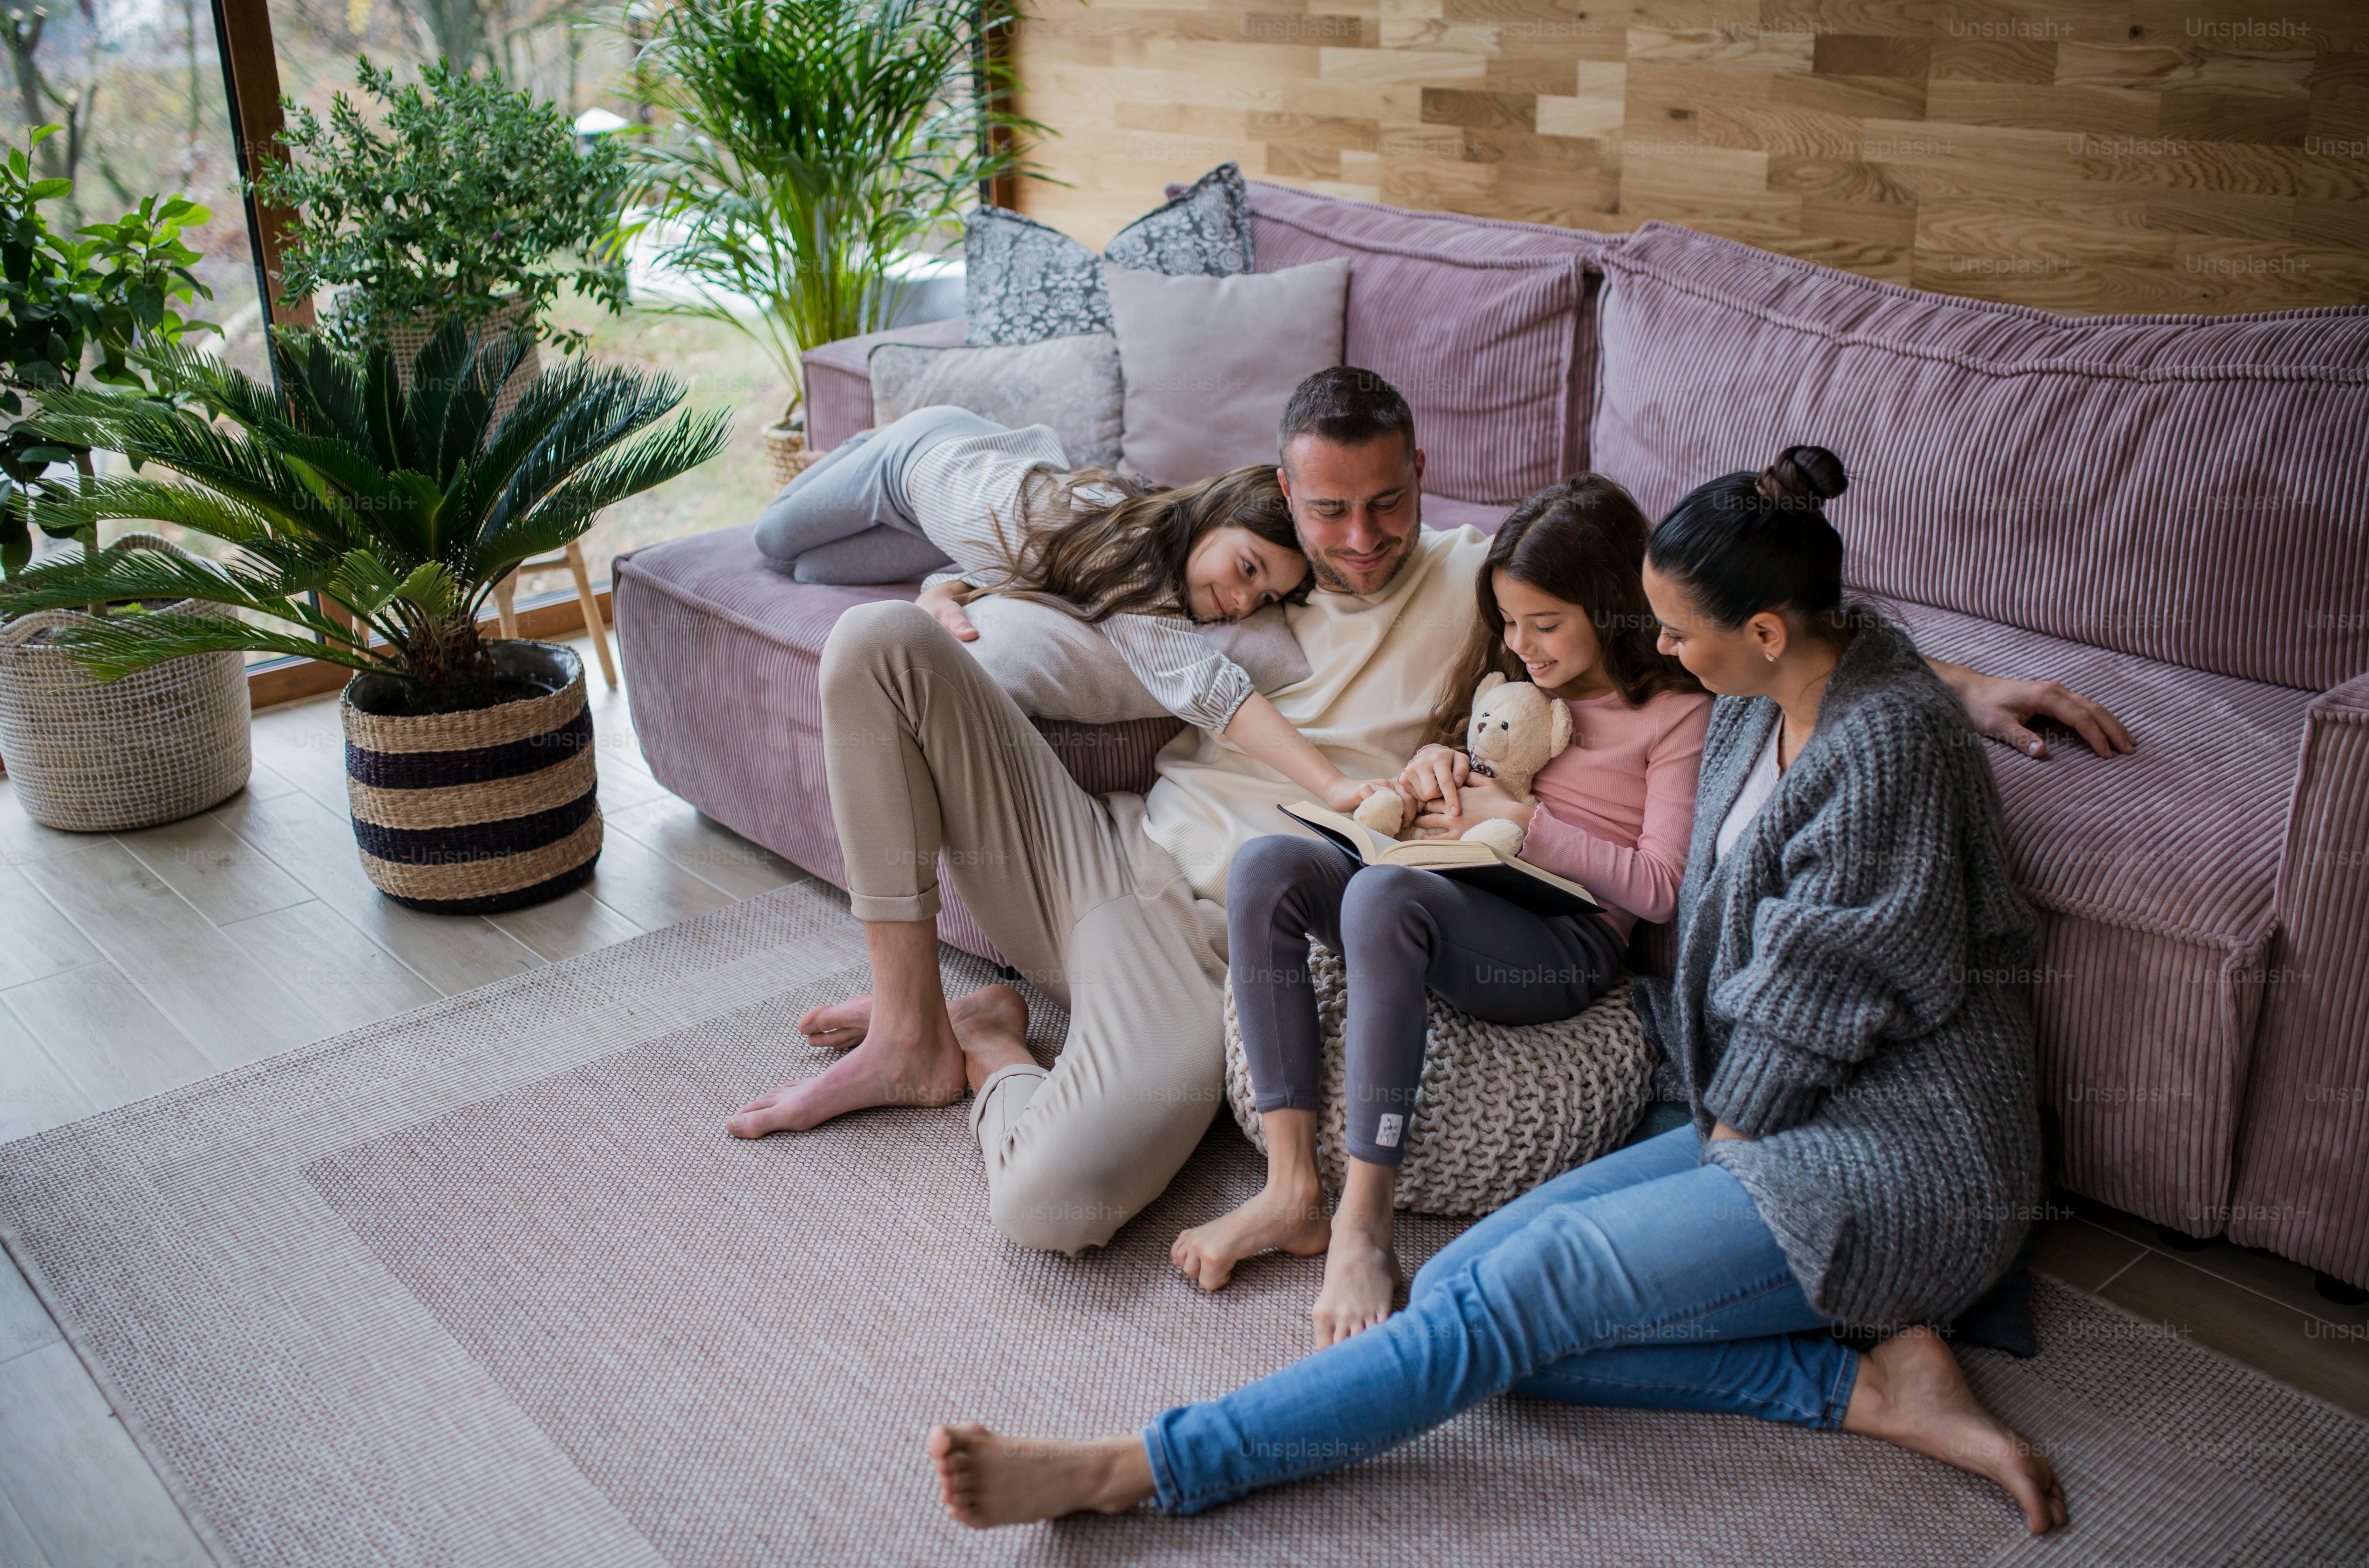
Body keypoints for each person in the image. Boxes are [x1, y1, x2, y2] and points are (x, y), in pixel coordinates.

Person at [727, 368, 2132, 1265]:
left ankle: (989, 1055)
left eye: (1384, 505)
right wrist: (950, 600)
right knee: (873, 650)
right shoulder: (1227, 571)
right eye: (1327, 511)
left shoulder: (1476, 576)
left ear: (1422, 478)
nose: (1355, 541)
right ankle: (913, 1024)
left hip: (1214, 948)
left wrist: (1956, 678)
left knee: (1051, 1212)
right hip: (1098, 861)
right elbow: (1049, 610)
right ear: (1284, 490)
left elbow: (1708, 618)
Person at [920, 446, 2070, 1539]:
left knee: (1512, 1302)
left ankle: (1143, 1467)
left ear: (1762, 635)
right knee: (1462, 1292)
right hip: (1763, 1110)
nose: (1656, 646)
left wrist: (1716, 1144)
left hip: (1890, 1161)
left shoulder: (1878, 755)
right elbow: (1865, 640)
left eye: (1673, 630)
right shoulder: (1785, 676)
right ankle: (1864, 1384)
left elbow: (1822, 994)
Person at [1172, 475, 1713, 1347]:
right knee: (1267, 864)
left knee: (1386, 897)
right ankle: (1291, 1188)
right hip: (1457, 888)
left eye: (1546, 624)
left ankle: (1365, 1221)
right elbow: (1474, 766)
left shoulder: (1673, 715)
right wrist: (1435, 771)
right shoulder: (1516, 686)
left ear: (1610, 606)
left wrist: (1526, 826)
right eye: (1509, 622)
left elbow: (1658, 886)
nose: (1522, 646)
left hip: (1563, 939)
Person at [755, 405, 1381, 813]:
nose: (1245, 604)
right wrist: (1333, 786)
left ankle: (908, 509)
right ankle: (871, 433)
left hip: (946, 518)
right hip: (918, 456)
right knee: (776, 543)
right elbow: (1211, 690)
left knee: (818, 570)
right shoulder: (1132, 554)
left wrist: (947, 586)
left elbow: (1036, 566)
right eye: (1248, 569)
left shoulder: (1119, 569)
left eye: (1265, 599)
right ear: (1211, 516)